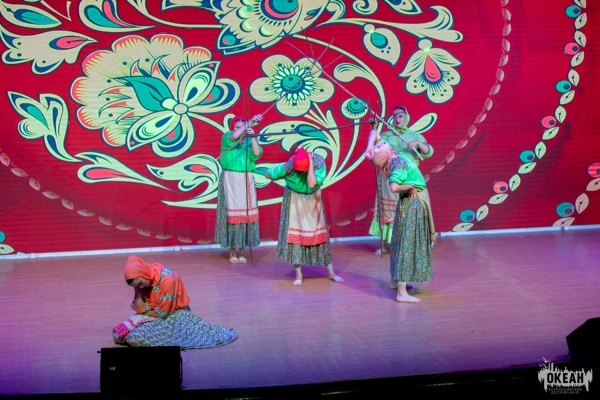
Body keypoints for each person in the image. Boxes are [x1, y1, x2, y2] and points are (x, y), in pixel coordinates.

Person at [112, 255, 238, 348]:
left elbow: (162, 314)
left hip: (173, 315)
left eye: (140, 283)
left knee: (136, 339)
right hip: (150, 314)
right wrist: (137, 291)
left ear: (143, 274)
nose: (140, 287)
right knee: (118, 332)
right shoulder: (143, 279)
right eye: (136, 286)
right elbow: (140, 306)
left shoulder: (167, 278)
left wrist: (144, 312)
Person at [263, 146, 343, 286]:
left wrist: (310, 163)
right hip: (295, 199)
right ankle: (298, 273)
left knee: (320, 235)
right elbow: (268, 174)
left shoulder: (318, 163)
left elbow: (311, 183)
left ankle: (331, 271)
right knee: (296, 237)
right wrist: (281, 174)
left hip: (312, 200)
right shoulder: (290, 165)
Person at [369, 142, 435, 303]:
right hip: (412, 203)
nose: (382, 143)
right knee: (407, 243)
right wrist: (411, 186)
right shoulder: (397, 162)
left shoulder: (395, 159)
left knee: (400, 241)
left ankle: (395, 282)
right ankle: (401, 293)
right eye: (381, 146)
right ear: (387, 153)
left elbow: (372, 147)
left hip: (408, 203)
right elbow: (393, 187)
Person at [364, 106, 433, 256]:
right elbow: (376, 146)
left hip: (407, 178)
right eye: (394, 116)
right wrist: (373, 128)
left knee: (405, 212)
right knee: (386, 211)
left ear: (406, 117)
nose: (397, 119)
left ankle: (404, 244)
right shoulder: (387, 135)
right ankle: (384, 245)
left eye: (400, 116)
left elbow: (428, 151)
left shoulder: (414, 135)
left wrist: (417, 143)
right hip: (388, 178)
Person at [215, 113, 263, 264]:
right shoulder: (227, 137)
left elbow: (256, 154)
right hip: (230, 179)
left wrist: (253, 136)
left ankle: (242, 250)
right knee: (231, 216)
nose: (240, 129)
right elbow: (234, 137)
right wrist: (250, 122)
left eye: (242, 127)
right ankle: (232, 251)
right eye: (237, 127)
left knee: (245, 215)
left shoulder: (248, 141)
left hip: (246, 179)